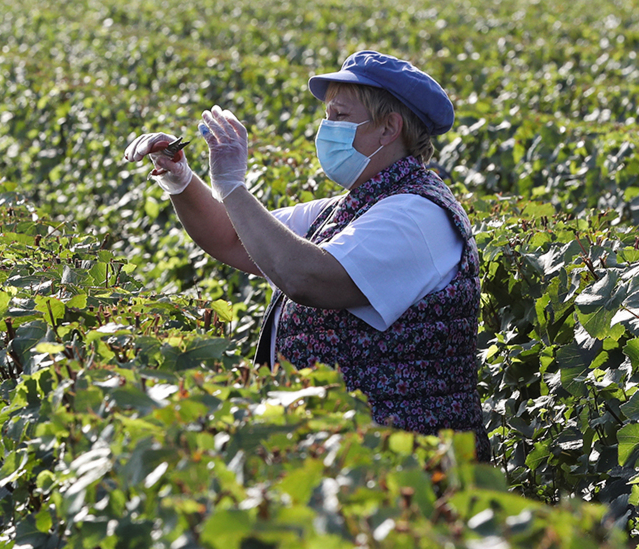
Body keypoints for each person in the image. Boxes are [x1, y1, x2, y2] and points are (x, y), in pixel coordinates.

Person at [125, 50, 489, 460]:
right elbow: (232, 236)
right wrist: (181, 179)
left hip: (405, 466)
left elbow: (308, 278)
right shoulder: (352, 206)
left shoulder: (416, 216)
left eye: (339, 115)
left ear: (389, 128)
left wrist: (233, 186)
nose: (326, 128)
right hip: (351, 456)